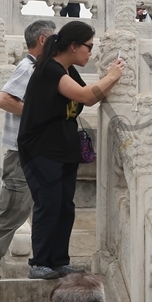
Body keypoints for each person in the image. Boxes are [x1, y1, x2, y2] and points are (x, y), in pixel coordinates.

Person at [18, 21, 123, 278]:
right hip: (41, 149)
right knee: (49, 204)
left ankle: (58, 260)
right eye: (89, 46)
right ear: (73, 46)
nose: (91, 52)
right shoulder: (50, 70)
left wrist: (112, 79)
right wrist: (112, 75)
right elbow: (86, 96)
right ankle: (40, 262)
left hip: (63, 147)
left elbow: (88, 97)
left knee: (65, 206)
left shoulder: (67, 70)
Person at [0, 19, 53, 280]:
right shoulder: (28, 67)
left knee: (41, 209)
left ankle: (44, 261)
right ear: (43, 40)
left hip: (39, 152)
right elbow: (3, 99)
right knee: (13, 209)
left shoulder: (43, 69)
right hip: (22, 154)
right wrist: (39, 114)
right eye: (54, 38)